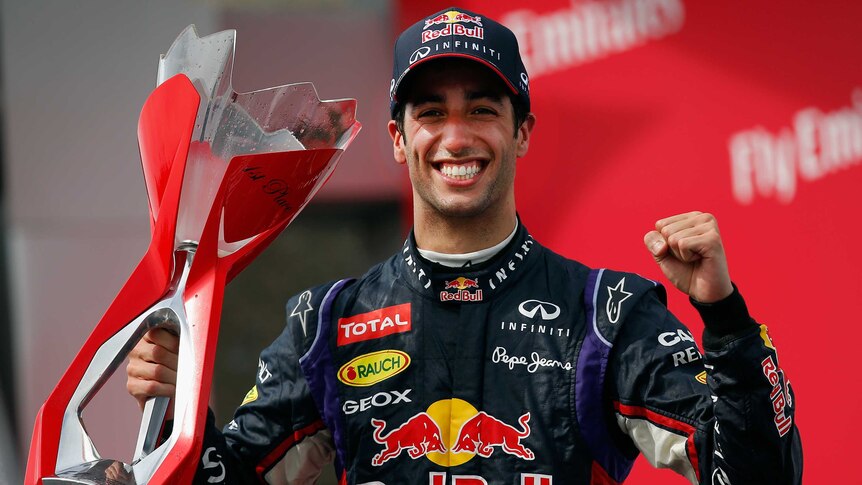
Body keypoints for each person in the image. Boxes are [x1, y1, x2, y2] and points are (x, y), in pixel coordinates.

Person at [126, 7, 802, 484]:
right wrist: (175, 409)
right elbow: (227, 479)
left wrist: (727, 319)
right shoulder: (325, 323)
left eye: (482, 109)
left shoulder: (607, 313)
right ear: (398, 138)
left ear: (523, 131)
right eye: (430, 113)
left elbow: (758, 475)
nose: (457, 136)